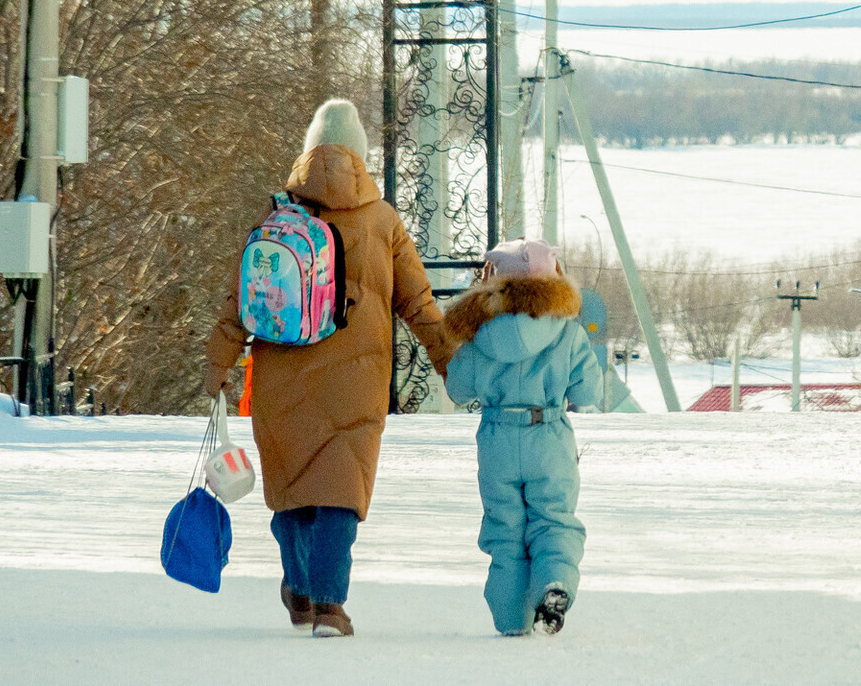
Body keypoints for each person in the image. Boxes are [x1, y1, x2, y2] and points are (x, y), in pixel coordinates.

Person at [204, 98, 450, 638]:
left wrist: (218, 364)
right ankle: (328, 605)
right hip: (356, 384)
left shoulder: (275, 215)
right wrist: (450, 359)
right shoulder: (383, 220)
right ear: (360, 157)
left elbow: (238, 301)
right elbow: (419, 303)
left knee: (292, 489)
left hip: (280, 377)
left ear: (308, 151)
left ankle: (300, 588)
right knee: (341, 490)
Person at [443, 237, 603, 637]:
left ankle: (511, 620)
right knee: (553, 520)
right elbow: (588, 394)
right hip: (548, 436)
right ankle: (555, 583)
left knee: (505, 528)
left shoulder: (479, 333)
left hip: (498, 438)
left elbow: (459, 390)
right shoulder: (567, 333)